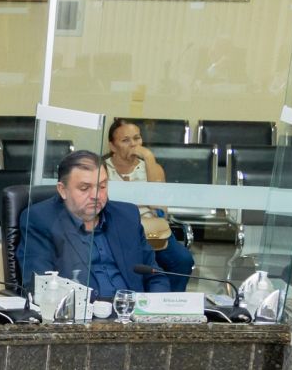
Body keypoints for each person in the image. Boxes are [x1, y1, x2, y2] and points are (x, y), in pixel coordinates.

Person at [17, 150, 168, 298]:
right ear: (63, 190)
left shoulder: (126, 216)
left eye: (102, 186)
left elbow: (155, 276)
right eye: (84, 188)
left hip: (134, 310)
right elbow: (40, 287)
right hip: (81, 310)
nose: (96, 196)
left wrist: (154, 308)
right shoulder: (41, 220)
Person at [102, 119, 195, 291]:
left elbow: (158, 205)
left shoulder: (153, 168)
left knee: (183, 260)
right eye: (125, 140)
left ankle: (167, 301)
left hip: (151, 231)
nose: (133, 144)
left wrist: (149, 158)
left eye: (137, 138)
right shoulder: (102, 169)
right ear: (112, 146)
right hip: (116, 229)